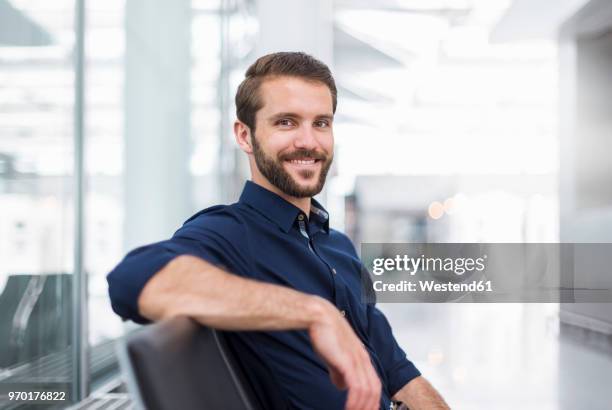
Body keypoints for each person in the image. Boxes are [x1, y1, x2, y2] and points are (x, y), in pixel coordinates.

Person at [107, 52, 449, 410]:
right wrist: (314, 312)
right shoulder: (232, 234)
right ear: (245, 135)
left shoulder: (339, 247)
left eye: (321, 123)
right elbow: (132, 279)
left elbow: (399, 372)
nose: (309, 142)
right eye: (286, 122)